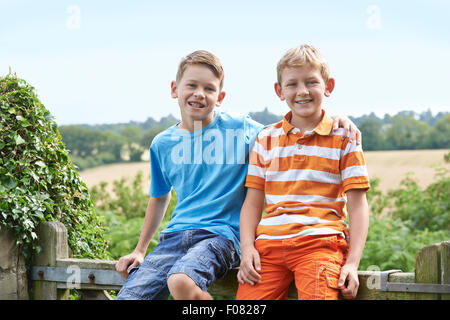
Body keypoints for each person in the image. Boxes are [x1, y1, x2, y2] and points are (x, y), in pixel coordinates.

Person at [115, 50, 361, 300]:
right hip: (173, 238)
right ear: (174, 89)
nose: (199, 94)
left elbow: (292, 128)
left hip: (221, 236)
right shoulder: (161, 144)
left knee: (181, 281)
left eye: (209, 88)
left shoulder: (242, 130)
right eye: (191, 85)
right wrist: (140, 249)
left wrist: (336, 120)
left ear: (220, 97)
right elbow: (159, 197)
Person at [236, 45, 370, 300]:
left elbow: (358, 207)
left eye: (311, 82)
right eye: (292, 84)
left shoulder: (345, 137)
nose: (302, 91)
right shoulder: (265, 138)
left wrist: (352, 263)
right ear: (279, 91)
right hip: (268, 248)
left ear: (328, 86)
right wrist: (247, 249)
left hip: (319, 244)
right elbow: (252, 204)